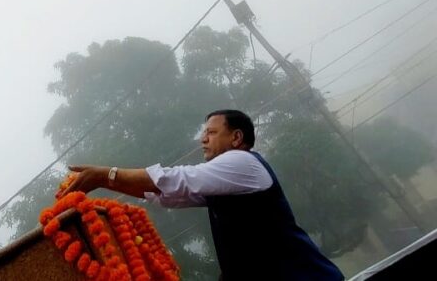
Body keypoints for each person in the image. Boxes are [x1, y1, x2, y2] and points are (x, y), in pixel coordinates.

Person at [62, 109, 344, 281]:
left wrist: (104, 175)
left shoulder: (242, 162)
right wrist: (104, 181)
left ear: (236, 138)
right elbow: (162, 192)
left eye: (211, 132)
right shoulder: (223, 183)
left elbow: (177, 181)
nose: (203, 139)